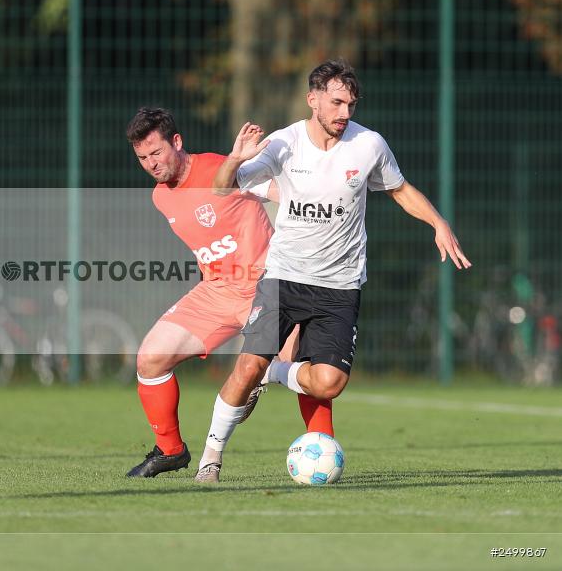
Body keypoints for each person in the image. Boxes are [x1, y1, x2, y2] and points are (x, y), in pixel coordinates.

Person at [202, 59, 470, 465]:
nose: (345, 113)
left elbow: (399, 189)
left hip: (340, 285)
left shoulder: (369, 145)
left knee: (329, 383)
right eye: (337, 102)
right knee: (245, 369)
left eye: (351, 104)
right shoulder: (285, 142)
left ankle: (277, 373)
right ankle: (210, 459)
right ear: (313, 100)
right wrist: (235, 158)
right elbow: (222, 191)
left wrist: (438, 222)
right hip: (284, 278)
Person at [125, 108, 332, 482]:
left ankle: (324, 446)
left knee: (306, 370)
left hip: (268, 288)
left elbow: (282, 193)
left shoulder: (221, 168)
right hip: (216, 292)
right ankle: (171, 451)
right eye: (142, 158)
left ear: (177, 142)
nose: (151, 164)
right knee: (150, 359)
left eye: (156, 153)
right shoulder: (160, 197)